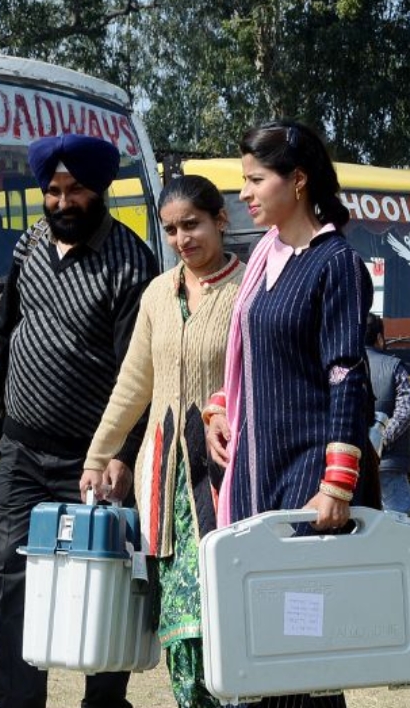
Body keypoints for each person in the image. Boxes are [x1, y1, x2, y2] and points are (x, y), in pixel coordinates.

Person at [0, 134, 158, 708]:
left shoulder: (131, 262)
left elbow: (137, 375)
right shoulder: (30, 245)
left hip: (92, 460)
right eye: (53, 191)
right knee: (14, 586)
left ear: (101, 191)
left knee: (103, 587)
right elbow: (3, 334)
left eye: (75, 191)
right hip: (21, 454)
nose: (62, 202)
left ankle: (103, 702)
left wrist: (122, 455)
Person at [204, 120, 374, 708]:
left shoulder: (336, 264)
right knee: (257, 643)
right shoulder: (264, 260)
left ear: (297, 181)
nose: (244, 193)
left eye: (255, 180)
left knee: (301, 644)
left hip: (307, 474)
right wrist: (221, 408)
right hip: (254, 470)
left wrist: (336, 484)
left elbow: (346, 375)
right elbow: (255, 359)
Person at [81, 175, 243, 708]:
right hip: (163, 482)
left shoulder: (248, 289)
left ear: (220, 220)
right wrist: (99, 456)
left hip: (227, 475)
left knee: (223, 618)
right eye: (171, 229)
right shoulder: (157, 292)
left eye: (192, 224)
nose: (181, 239)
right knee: (177, 627)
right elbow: (133, 385)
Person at [364, 313, 410, 516]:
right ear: (379, 339)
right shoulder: (395, 367)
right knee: (397, 522)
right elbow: (405, 411)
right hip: (389, 463)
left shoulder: (343, 366)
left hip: (349, 463)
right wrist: (380, 441)